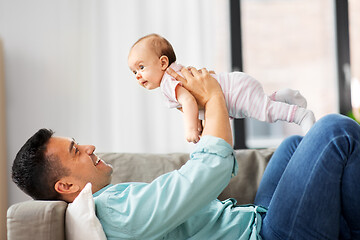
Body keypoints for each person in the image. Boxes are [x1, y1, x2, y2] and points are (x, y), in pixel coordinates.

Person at [12, 67, 360, 239]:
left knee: (293, 146)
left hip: (256, 218)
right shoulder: (112, 212)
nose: (89, 147)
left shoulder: (111, 203)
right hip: (265, 235)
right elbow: (207, 174)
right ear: (66, 186)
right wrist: (215, 99)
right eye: (75, 150)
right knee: (333, 132)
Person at [128, 33, 316, 143]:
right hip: (234, 87)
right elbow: (191, 104)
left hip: (232, 92)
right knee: (260, 106)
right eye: (134, 71)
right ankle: (284, 96)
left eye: (141, 67)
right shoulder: (174, 73)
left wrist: (191, 129)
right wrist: (199, 120)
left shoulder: (168, 81)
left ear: (162, 62)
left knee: (264, 111)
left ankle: (301, 115)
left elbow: (187, 101)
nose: (137, 75)